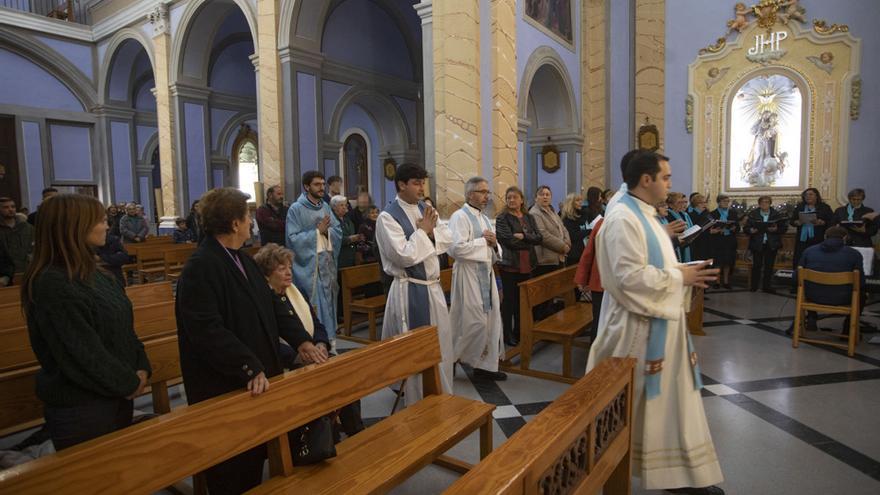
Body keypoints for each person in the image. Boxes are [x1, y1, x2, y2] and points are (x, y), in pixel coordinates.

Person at [586, 150, 723, 494]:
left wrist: (682, 272)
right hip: (639, 330)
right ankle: (653, 475)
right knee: (645, 408)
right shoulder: (622, 219)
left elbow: (650, 262)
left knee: (671, 403)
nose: (670, 184)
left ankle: (679, 475)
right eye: (666, 177)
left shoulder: (643, 212)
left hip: (659, 323)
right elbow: (628, 277)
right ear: (646, 180)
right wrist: (680, 278)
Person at [176, 188, 326, 494]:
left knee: (254, 462)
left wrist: (301, 341)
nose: (251, 223)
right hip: (226, 383)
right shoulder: (201, 266)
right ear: (234, 224)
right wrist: (247, 366)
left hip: (256, 380)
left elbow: (271, 305)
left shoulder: (241, 259)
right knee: (232, 469)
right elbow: (206, 330)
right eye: (246, 217)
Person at [21, 194, 151, 451]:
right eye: (100, 221)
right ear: (73, 226)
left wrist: (142, 366)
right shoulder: (52, 282)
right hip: (82, 407)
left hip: (115, 395)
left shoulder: (97, 273)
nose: (106, 226)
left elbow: (124, 329)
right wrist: (129, 382)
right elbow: (82, 353)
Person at [375, 163, 454, 405]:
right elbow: (403, 255)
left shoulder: (425, 208)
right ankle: (419, 401)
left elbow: (447, 238)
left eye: (423, 183)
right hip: (409, 289)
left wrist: (429, 232)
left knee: (441, 342)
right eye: (417, 183)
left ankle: (441, 393)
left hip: (432, 287)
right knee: (417, 349)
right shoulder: (387, 217)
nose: (422, 188)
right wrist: (425, 232)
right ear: (401, 184)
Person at [448, 177, 506, 381]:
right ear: (469, 194)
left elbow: (494, 248)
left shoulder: (484, 218)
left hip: (485, 274)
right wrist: (484, 241)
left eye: (487, 192)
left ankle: (485, 366)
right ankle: (454, 358)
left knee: (490, 321)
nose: (486, 196)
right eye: (482, 192)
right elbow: (455, 249)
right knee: (473, 322)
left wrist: (494, 243)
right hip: (468, 275)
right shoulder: (459, 217)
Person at [286, 171, 342, 349]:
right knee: (316, 305)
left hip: (326, 265)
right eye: (317, 184)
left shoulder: (325, 206)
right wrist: (317, 232)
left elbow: (337, 230)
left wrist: (326, 232)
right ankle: (316, 342)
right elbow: (292, 238)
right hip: (310, 267)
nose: (321, 187)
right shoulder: (296, 209)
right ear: (306, 186)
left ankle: (330, 341)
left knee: (329, 303)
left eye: (323, 184)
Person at [796, 226, 865, 334]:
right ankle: (848, 328)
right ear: (845, 238)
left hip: (812, 297)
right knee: (861, 295)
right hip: (842, 298)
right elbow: (861, 282)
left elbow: (796, 277)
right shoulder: (854, 254)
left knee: (803, 288)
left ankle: (811, 317)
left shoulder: (809, 251)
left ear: (825, 237)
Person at [496, 186, 542, 346]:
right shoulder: (502, 218)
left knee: (524, 301)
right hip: (510, 265)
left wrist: (523, 236)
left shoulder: (529, 217)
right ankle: (508, 333)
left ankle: (520, 331)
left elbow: (539, 238)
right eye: (508, 197)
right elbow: (508, 241)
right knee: (510, 301)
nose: (511, 200)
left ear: (521, 199)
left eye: (515, 197)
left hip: (528, 264)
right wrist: (528, 241)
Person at [790, 187, 834, 290]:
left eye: (811, 194)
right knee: (799, 261)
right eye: (806, 195)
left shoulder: (824, 207)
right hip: (802, 239)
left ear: (816, 196)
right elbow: (792, 220)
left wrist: (822, 222)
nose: (808, 196)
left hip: (817, 239)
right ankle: (797, 285)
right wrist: (797, 222)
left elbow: (831, 221)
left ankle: (816, 286)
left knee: (816, 261)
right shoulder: (800, 207)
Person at [574, 213, 604, 343]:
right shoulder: (602, 223)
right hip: (601, 283)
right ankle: (595, 358)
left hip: (615, 285)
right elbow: (589, 252)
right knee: (598, 322)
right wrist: (582, 278)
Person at [745, 196, 786, 293]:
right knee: (757, 265)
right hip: (757, 243)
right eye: (762, 202)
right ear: (759, 204)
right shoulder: (753, 214)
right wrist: (751, 230)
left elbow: (783, 228)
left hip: (771, 243)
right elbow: (746, 228)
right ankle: (754, 286)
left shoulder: (776, 214)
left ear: (770, 203)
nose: (765, 204)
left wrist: (776, 229)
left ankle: (766, 286)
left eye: (767, 202)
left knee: (769, 266)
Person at [529, 185, 570, 274]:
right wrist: (562, 246)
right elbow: (543, 235)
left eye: (548, 195)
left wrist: (567, 243)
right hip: (546, 260)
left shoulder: (552, 210)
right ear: (536, 198)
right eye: (542, 194)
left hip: (559, 256)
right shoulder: (534, 213)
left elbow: (563, 228)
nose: (545, 197)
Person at [708, 194, 740, 289]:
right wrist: (716, 230)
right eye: (724, 201)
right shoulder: (713, 213)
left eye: (727, 201)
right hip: (718, 240)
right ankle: (717, 281)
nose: (726, 203)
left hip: (729, 239)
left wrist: (734, 228)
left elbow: (737, 226)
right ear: (719, 202)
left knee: (728, 261)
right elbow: (709, 227)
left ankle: (726, 281)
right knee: (718, 261)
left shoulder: (733, 213)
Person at [0, 197, 35, 273]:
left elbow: (35, 246)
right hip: (4, 272)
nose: (10, 209)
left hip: (27, 270)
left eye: (13, 207)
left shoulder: (27, 227)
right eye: (6, 207)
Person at [665, 192, 695, 263]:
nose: (682, 205)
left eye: (683, 202)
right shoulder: (668, 215)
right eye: (679, 203)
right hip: (676, 246)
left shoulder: (682, 214)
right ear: (671, 205)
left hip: (686, 245)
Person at [561, 193, 588, 266]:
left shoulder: (580, 215)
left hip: (582, 251)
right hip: (573, 254)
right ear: (571, 203)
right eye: (577, 200)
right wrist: (588, 231)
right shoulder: (567, 219)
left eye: (581, 200)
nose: (580, 202)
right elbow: (573, 236)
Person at [687, 193, 711, 261]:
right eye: (701, 203)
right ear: (695, 204)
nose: (704, 205)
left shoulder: (706, 213)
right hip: (696, 242)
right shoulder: (690, 214)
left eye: (705, 202)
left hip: (706, 241)